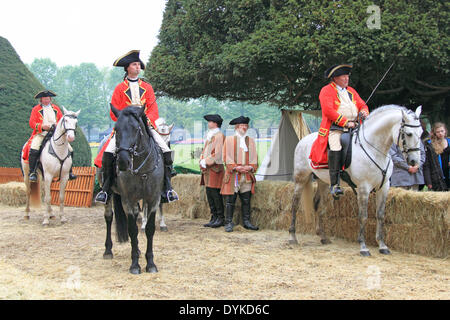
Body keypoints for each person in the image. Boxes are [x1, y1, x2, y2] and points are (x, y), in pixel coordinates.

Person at [94, 50, 178, 204]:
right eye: (134, 64)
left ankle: (167, 188)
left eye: (139, 64)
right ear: (127, 68)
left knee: (166, 149)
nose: (138, 67)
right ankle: (105, 189)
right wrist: (125, 120)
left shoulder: (147, 87)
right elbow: (114, 112)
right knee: (107, 152)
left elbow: (153, 109)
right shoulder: (119, 89)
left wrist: (148, 120)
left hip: (145, 126)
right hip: (126, 129)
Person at [309, 64, 369, 199]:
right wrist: (345, 122)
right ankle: (335, 184)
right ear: (335, 78)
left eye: (347, 76)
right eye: (344, 76)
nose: (347, 78)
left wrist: (364, 112)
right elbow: (328, 111)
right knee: (336, 146)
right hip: (336, 129)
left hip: (354, 127)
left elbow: (362, 104)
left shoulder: (351, 91)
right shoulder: (326, 91)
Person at [26, 90, 77, 182]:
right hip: (41, 134)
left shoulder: (56, 108)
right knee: (34, 148)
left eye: (48, 99)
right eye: (44, 99)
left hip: (55, 134)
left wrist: (56, 126)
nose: (46, 100)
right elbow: (31, 123)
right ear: (41, 100)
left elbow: (62, 121)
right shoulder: (36, 109)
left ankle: (69, 171)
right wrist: (42, 126)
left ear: (50, 99)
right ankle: (32, 172)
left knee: (70, 149)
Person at [221, 116, 258, 232]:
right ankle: (228, 222)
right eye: (242, 125)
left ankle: (247, 222)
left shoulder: (250, 141)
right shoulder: (229, 140)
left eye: (246, 126)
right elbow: (226, 157)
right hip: (234, 176)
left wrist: (250, 167)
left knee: (246, 200)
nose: (245, 128)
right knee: (230, 200)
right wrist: (236, 167)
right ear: (237, 127)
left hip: (246, 176)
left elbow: (254, 157)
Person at [200, 114, 225, 228]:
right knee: (210, 194)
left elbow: (218, 154)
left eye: (210, 121)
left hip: (215, 170)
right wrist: (201, 159)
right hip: (208, 171)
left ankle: (220, 218)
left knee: (215, 194)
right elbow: (204, 151)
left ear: (215, 123)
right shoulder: (211, 136)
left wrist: (206, 161)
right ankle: (214, 217)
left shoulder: (219, 136)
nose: (208, 123)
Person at [423, 122, 450, 191]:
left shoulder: (449, 141)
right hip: (438, 176)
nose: (440, 133)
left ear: (445, 131)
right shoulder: (430, 145)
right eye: (438, 132)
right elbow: (427, 164)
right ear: (434, 133)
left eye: (442, 131)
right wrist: (428, 181)